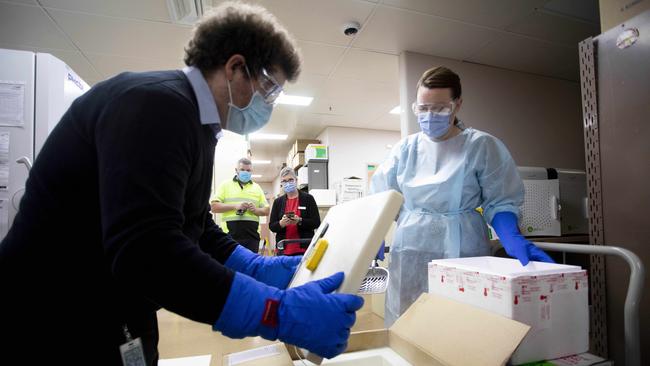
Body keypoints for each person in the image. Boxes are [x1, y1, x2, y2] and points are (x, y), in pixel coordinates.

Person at [0, 2, 363, 364]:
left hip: (113, 304)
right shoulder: (156, 104)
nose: (269, 104)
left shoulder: (196, 124)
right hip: (52, 316)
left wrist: (254, 266)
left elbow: (195, 224)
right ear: (236, 67)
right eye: (269, 90)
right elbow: (147, 249)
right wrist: (274, 312)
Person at [371, 66, 553, 326]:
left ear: (457, 105)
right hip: (411, 247)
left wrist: (510, 236)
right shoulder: (406, 149)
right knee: (408, 319)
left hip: (464, 247)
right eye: (423, 108)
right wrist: (374, 233)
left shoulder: (481, 146)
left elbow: (500, 199)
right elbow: (382, 195)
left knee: (462, 323)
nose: (430, 115)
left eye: (440, 108)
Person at [211, 158, 269, 252]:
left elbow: (266, 210)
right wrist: (235, 206)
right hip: (229, 236)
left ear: (251, 171)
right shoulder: (225, 185)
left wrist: (256, 210)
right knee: (230, 266)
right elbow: (214, 207)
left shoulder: (257, 187)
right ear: (236, 170)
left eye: (248, 170)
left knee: (250, 265)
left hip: (252, 237)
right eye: (242, 169)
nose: (245, 172)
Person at [269, 167, 321, 255]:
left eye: (290, 180)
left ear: (296, 180)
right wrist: (281, 223)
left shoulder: (308, 198)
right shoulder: (278, 202)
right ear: (282, 183)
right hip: (284, 249)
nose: (287, 183)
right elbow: (272, 226)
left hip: (304, 249)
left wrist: (300, 221)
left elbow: (316, 223)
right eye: (284, 181)